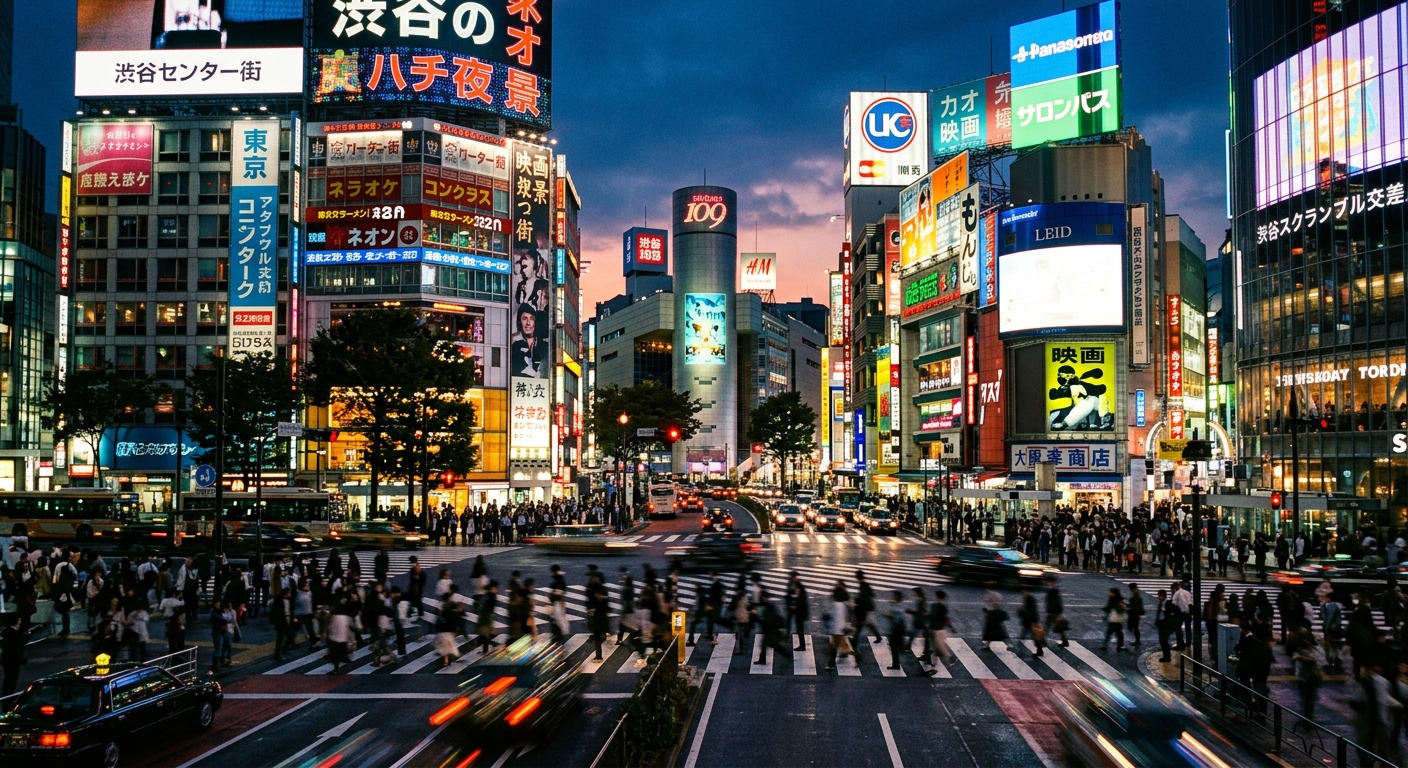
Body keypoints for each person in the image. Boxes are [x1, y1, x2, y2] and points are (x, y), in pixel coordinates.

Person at [824, 583, 851, 671]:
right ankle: (846, 652)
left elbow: (831, 616)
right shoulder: (843, 605)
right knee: (834, 646)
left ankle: (831, 664)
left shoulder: (834, 605)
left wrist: (826, 618)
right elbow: (846, 616)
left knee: (834, 648)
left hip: (836, 630)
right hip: (841, 629)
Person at [0, 612, 25, 697]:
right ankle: (8, 695)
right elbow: (15, 647)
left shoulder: (8, 632)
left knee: (10, 677)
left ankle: (8, 694)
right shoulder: (12, 633)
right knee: (11, 678)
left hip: (9, 659)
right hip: (12, 659)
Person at [788, 574, 810, 651]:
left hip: (800, 613)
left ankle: (802, 646)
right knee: (799, 628)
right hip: (799, 612)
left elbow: (800, 599)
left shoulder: (799, 587)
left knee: (800, 629)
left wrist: (795, 607)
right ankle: (802, 644)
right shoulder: (796, 586)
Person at [1101, 587, 1127, 652]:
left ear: (1114, 593)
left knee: (1113, 632)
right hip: (1114, 618)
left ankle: (1107, 645)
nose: (1109, 593)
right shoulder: (1112, 599)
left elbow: (1121, 609)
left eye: (1110, 592)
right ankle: (1119, 645)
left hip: (1117, 618)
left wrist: (1106, 609)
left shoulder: (1118, 600)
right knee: (1117, 632)